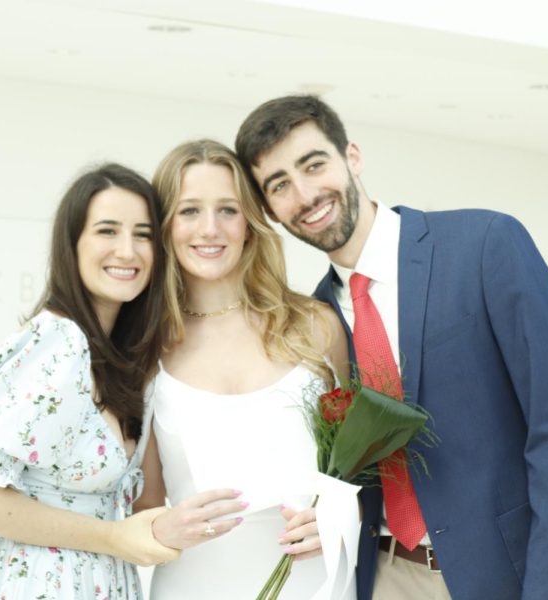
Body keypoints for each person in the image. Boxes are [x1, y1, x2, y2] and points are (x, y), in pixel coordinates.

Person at [235, 96, 548, 600]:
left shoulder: (485, 244)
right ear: (270, 211)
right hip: (386, 576)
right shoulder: (313, 322)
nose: (304, 194)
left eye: (314, 164)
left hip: (512, 574)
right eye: (279, 185)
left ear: (353, 157)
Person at [0, 163, 244, 599]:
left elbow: (143, 506)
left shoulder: (124, 358)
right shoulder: (56, 343)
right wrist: (116, 538)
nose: (128, 251)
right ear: (73, 245)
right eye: (107, 231)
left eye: (142, 235)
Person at [144, 139, 354, 599]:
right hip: (195, 586)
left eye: (227, 210)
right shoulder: (144, 351)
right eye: (189, 211)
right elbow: (141, 514)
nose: (210, 229)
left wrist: (343, 516)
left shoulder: (316, 327)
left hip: (318, 585)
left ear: (250, 222)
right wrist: (164, 527)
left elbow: (368, 470)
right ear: (163, 226)